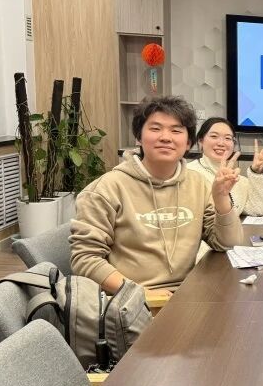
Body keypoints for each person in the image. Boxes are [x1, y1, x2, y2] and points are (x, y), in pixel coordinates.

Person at [70, 97, 245, 303]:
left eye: (176, 130)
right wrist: (140, 294)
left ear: (188, 143)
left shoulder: (198, 184)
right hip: (130, 302)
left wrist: (221, 199)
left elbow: (227, 243)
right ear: (138, 137)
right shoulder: (106, 189)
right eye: (155, 129)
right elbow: (85, 258)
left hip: (187, 295)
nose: (165, 137)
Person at [187, 117, 263, 217]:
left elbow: (259, 210)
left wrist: (257, 173)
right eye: (214, 136)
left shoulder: (237, 180)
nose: (221, 143)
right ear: (200, 141)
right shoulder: (188, 173)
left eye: (228, 138)